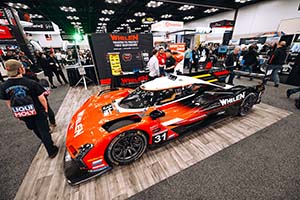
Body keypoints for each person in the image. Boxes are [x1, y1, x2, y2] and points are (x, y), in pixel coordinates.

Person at [0, 59, 58, 158]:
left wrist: (16, 113)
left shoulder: (4, 86)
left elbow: (8, 102)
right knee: (44, 130)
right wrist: (46, 110)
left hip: (24, 112)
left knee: (35, 129)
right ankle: (51, 150)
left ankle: (46, 143)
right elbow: (42, 98)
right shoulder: (30, 83)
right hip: (37, 111)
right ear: (20, 69)